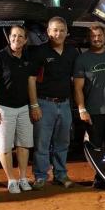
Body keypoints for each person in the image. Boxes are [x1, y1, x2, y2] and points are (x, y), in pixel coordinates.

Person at [28, 16, 79, 190]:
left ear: (67, 32)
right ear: (48, 32)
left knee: (62, 143)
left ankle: (60, 175)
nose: (58, 33)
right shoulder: (39, 52)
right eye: (54, 30)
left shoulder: (73, 53)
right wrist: (34, 105)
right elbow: (31, 80)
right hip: (44, 104)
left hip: (65, 104)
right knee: (42, 143)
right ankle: (41, 176)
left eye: (62, 30)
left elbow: (76, 80)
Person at [0, 26, 33, 193]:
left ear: (25, 40)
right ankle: (11, 180)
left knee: (23, 145)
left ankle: (22, 178)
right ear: (9, 38)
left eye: (21, 36)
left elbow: (30, 83)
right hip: (3, 108)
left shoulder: (27, 57)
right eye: (14, 36)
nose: (16, 39)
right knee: (5, 146)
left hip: (23, 108)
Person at [73, 24, 105, 188]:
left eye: (99, 35)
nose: (97, 38)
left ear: (104, 37)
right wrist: (82, 108)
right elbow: (77, 88)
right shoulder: (82, 59)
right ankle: (99, 177)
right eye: (93, 36)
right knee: (95, 147)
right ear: (89, 38)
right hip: (93, 111)